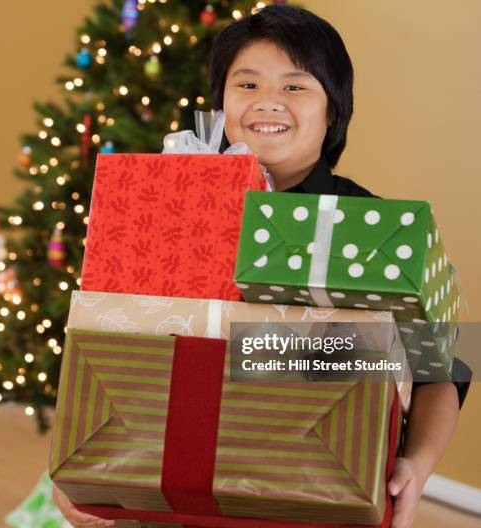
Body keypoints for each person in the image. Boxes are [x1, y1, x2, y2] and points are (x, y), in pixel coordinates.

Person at [53, 5, 471, 528]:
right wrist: (79, 467)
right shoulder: (168, 210)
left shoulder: (376, 230)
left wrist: (418, 466)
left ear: (332, 111)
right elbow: (106, 340)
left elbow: (447, 367)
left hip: (316, 502)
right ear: (221, 103)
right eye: (246, 84)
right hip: (164, 504)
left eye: (295, 87)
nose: (267, 101)